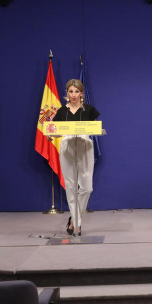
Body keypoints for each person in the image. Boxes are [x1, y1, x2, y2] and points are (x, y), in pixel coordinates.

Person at [52, 79, 100, 236]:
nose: (73, 95)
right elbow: (56, 131)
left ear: (81, 93)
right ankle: (77, 225)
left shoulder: (89, 110)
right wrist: (51, 135)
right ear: (66, 93)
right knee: (71, 187)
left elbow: (94, 128)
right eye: (70, 91)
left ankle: (73, 220)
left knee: (87, 188)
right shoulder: (61, 112)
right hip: (67, 147)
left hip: (85, 146)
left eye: (76, 91)